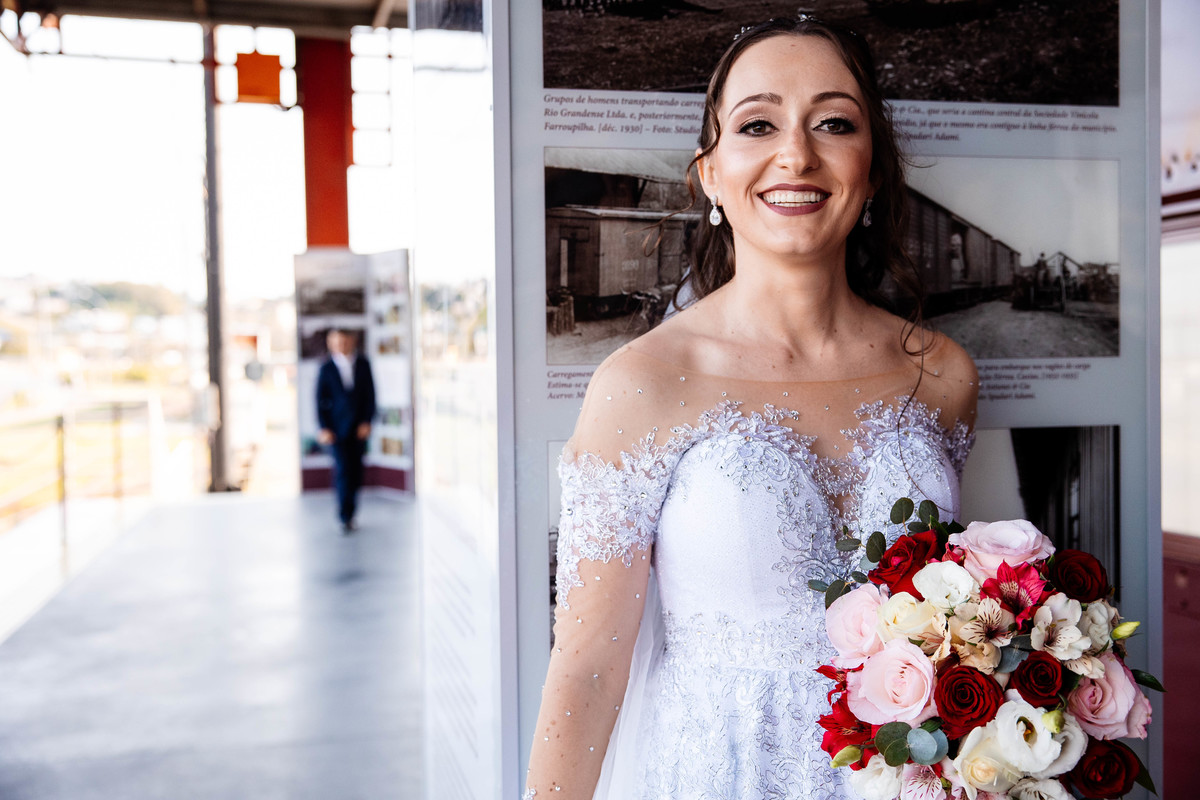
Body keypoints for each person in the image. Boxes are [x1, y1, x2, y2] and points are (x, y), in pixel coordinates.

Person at [525, 16, 978, 800]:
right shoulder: (641, 382)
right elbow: (588, 669)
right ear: (710, 173)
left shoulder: (941, 373)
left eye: (834, 123)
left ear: (873, 169)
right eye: (758, 125)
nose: (796, 154)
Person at [316, 328, 376, 533]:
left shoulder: (363, 364)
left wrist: (367, 421)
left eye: (344, 341)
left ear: (351, 341)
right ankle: (344, 515)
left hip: (358, 428)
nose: (340, 346)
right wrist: (324, 427)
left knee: (356, 470)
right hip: (336, 430)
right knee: (342, 470)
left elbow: (370, 395)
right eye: (336, 342)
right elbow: (319, 400)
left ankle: (351, 511)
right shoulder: (326, 368)